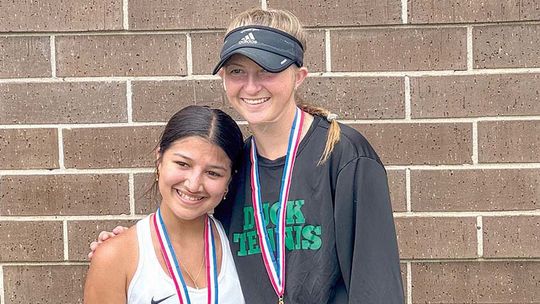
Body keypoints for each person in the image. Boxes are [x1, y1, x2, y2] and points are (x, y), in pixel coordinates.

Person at [90, 8, 404, 303]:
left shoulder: (343, 155)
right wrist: (121, 254)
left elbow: (376, 286)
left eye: (268, 70)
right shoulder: (235, 166)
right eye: (237, 71)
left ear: (299, 76)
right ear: (224, 78)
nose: (251, 86)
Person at [84, 105, 246, 303]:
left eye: (213, 173)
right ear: (159, 159)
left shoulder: (244, 245)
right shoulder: (116, 256)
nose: (193, 185)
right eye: (183, 164)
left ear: (229, 180)